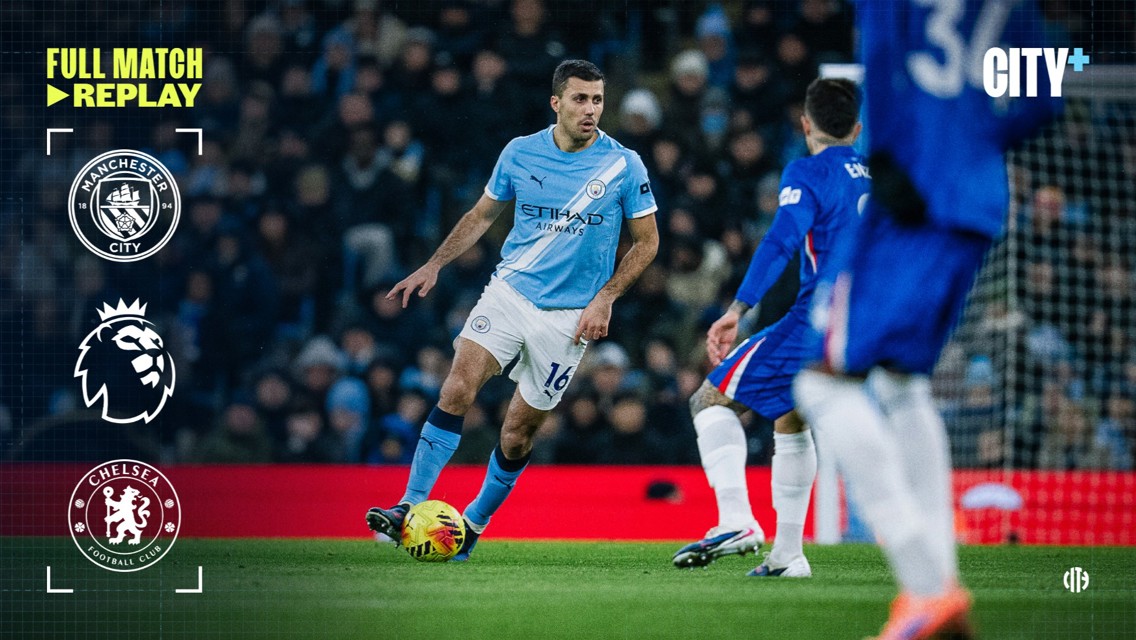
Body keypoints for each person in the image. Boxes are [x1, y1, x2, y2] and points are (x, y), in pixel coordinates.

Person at [792, 2, 1061, 638]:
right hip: (979, 204)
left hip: (908, 198)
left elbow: (882, 63)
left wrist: (890, 160)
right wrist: (971, 143)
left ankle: (924, 580)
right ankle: (933, 595)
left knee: (820, 382)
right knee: (903, 383)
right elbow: (1044, 98)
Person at [366, 59, 659, 560]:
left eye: (597, 100)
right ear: (556, 103)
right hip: (509, 292)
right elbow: (482, 214)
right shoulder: (520, 152)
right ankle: (407, 507)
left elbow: (647, 242)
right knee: (457, 385)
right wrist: (433, 264)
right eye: (580, 99)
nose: (590, 110)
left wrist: (605, 297)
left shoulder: (623, 164)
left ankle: (473, 522)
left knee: (518, 432)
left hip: (568, 318)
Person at [672, 78, 868, 577]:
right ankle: (788, 555)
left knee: (709, 399)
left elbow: (782, 240)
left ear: (806, 124)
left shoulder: (808, 171)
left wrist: (738, 306)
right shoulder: (877, 179)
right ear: (857, 128)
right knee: (791, 417)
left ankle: (736, 520)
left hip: (815, 321)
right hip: (865, 324)